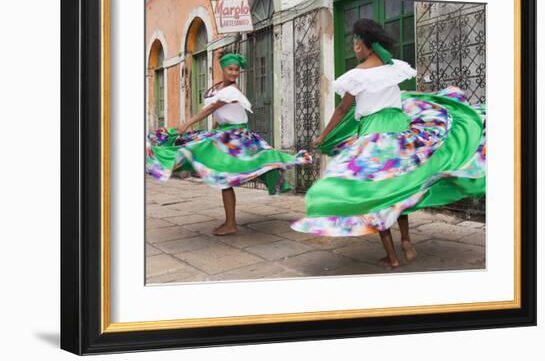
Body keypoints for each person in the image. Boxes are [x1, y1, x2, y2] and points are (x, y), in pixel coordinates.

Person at [291, 18, 486, 269]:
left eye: (354, 43)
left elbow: (342, 109)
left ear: (362, 45)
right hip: (401, 132)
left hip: (375, 135)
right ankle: (406, 240)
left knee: (377, 194)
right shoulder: (394, 69)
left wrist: (323, 136)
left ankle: (392, 256)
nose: (353, 47)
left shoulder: (356, 76)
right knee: (399, 186)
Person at [146, 49, 312, 236]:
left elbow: (210, 109)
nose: (234, 73)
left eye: (236, 70)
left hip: (237, 136)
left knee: (223, 174)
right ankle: (229, 221)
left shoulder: (232, 90)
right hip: (224, 134)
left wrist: (187, 124)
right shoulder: (218, 88)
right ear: (223, 69)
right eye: (230, 69)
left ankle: (230, 223)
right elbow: (219, 114)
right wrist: (213, 131)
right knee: (208, 164)